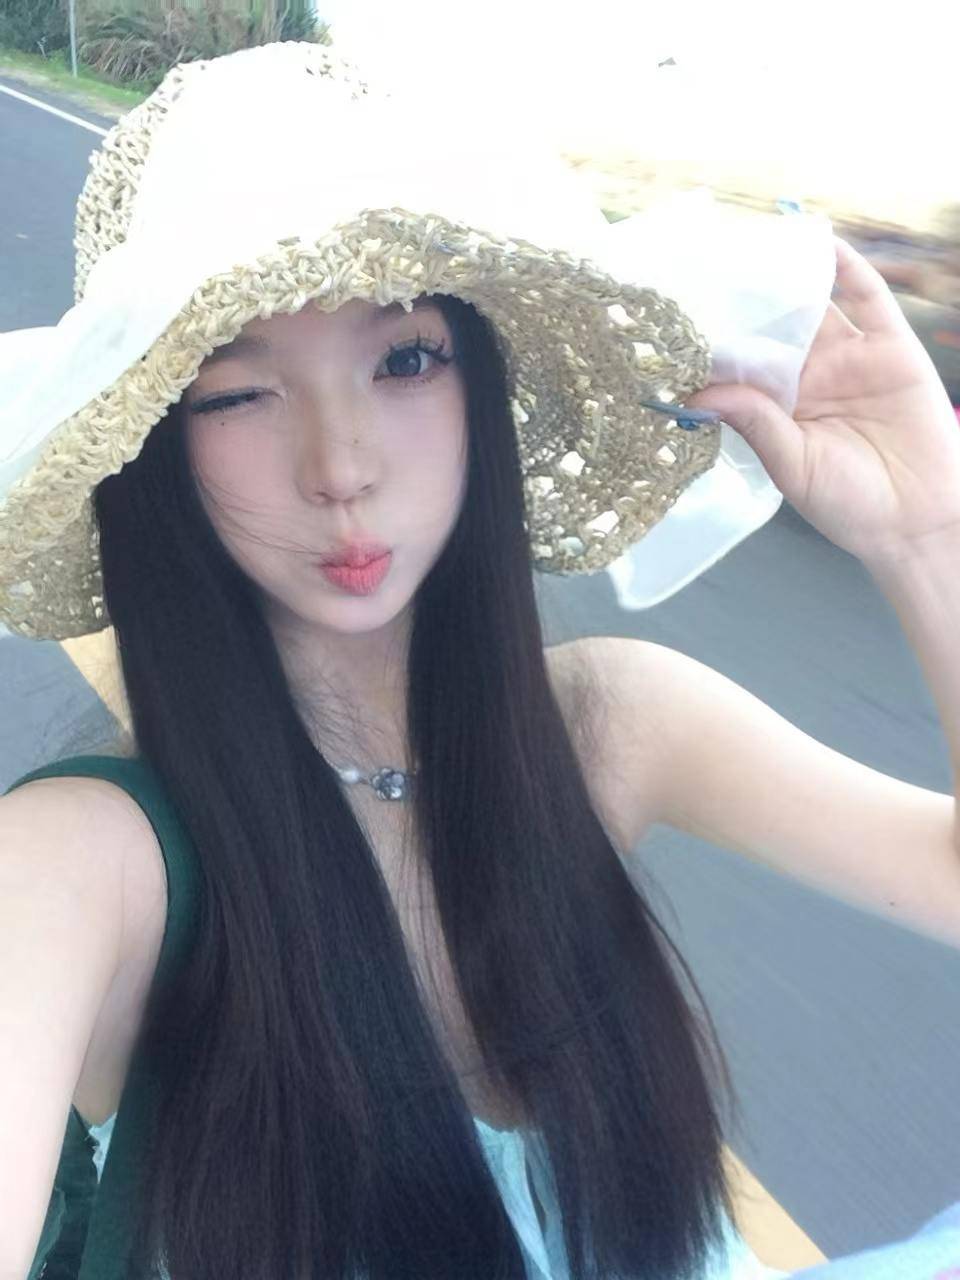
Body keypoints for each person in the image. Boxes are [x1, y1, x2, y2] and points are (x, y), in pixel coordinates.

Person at [1, 40, 958, 1280]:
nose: (341, 466)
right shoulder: (84, 861)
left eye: (405, 359)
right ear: (151, 448)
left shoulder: (613, 725)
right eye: (236, 393)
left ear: (482, 380)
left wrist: (927, 534)